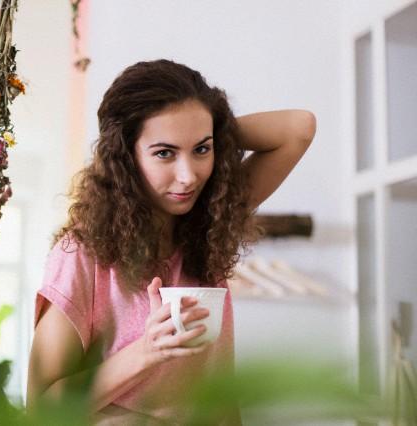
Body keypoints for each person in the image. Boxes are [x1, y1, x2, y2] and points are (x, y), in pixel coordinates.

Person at [27, 59, 316, 425]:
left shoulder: (207, 224)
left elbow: (299, 128)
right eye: (165, 152)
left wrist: (212, 130)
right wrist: (146, 351)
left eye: (201, 150)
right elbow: (40, 409)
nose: (188, 176)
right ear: (126, 155)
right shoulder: (82, 255)